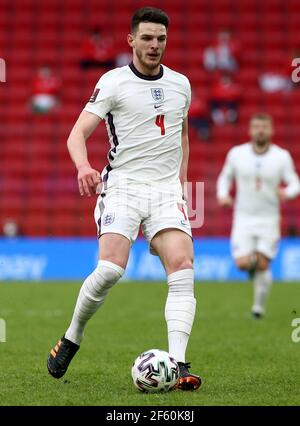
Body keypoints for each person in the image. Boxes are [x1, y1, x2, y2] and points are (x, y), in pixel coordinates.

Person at [47, 7, 201, 391]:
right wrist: (84, 167)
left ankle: (180, 364)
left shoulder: (181, 84)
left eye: (161, 39)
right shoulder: (113, 82)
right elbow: (76, 134)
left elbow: (181, 137)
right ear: (131, 40)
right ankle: (71, 337)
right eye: (147, 38)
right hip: (123, 187)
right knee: (111, 269)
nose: (154, 45)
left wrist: (181, 187)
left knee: (182, 267)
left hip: (165, 191)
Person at [217, 113, 300, 318]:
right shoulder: (237, 154)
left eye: (264, 127)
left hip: (269, 219)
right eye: (256, 127)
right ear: (250, 130)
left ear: (271, 130)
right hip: (243, 218)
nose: (260, 130)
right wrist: (223, 195)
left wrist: (287, 192)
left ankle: (258, 308)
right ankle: (254, 271)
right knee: (242, 263)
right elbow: (224, 178)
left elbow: (295, 183)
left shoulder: (281, 156)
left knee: (263, 264)